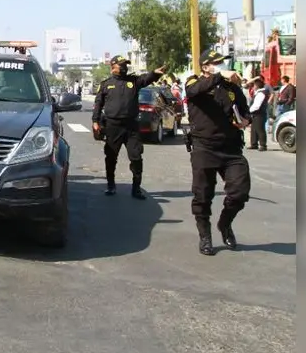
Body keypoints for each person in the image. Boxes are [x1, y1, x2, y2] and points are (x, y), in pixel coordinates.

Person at [184, 50, 252, 256]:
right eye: (216, 63)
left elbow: (244, 109)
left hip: (231, 148)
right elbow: (193, 92)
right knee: (203, 195)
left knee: (240, 193)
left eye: (222, 63)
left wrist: (244, 121)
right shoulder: (194, 82)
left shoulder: (231, 88)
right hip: (204, 147)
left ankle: (225, 224)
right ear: (205, 67)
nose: (221, 66)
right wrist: (217, 77)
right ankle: (205, 235)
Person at [92, 55, 166, 198]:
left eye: (126, 64)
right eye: (122, 65)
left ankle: (136, 188)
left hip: (131, 126)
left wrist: (155, 73)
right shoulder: (106, 84)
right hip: (113, 126)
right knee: (111, 157)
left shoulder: (133, 81)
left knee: (136, 157)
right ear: (113, 66)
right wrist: (95, 121)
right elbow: (98, 104)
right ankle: (111, 185)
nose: (125, 67)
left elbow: (145, 79)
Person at [248, 77, 270, 151]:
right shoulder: (259, 92)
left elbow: (257, 105)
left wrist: (249, 111)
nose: (253, 87)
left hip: (259, 114)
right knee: (254, 129)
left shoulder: (261, 93)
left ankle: (263, 145)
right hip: (256, 114)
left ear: (256, 86)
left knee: (260, 129)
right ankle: (254, 144)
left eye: (254, 85)